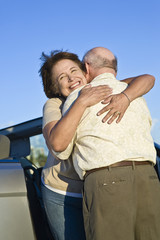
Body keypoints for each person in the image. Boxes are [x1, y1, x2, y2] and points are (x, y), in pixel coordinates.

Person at [39, 49, 155, 240]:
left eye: (73, 70)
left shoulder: (100, 88)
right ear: (55, 87)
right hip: (62, 190)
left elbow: (147, 79)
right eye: (62, 77)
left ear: (86, 71)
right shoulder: (54, 104)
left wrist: (125, 97)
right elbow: (57, 144)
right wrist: (81, 102)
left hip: (92, 188)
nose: (70, 78)